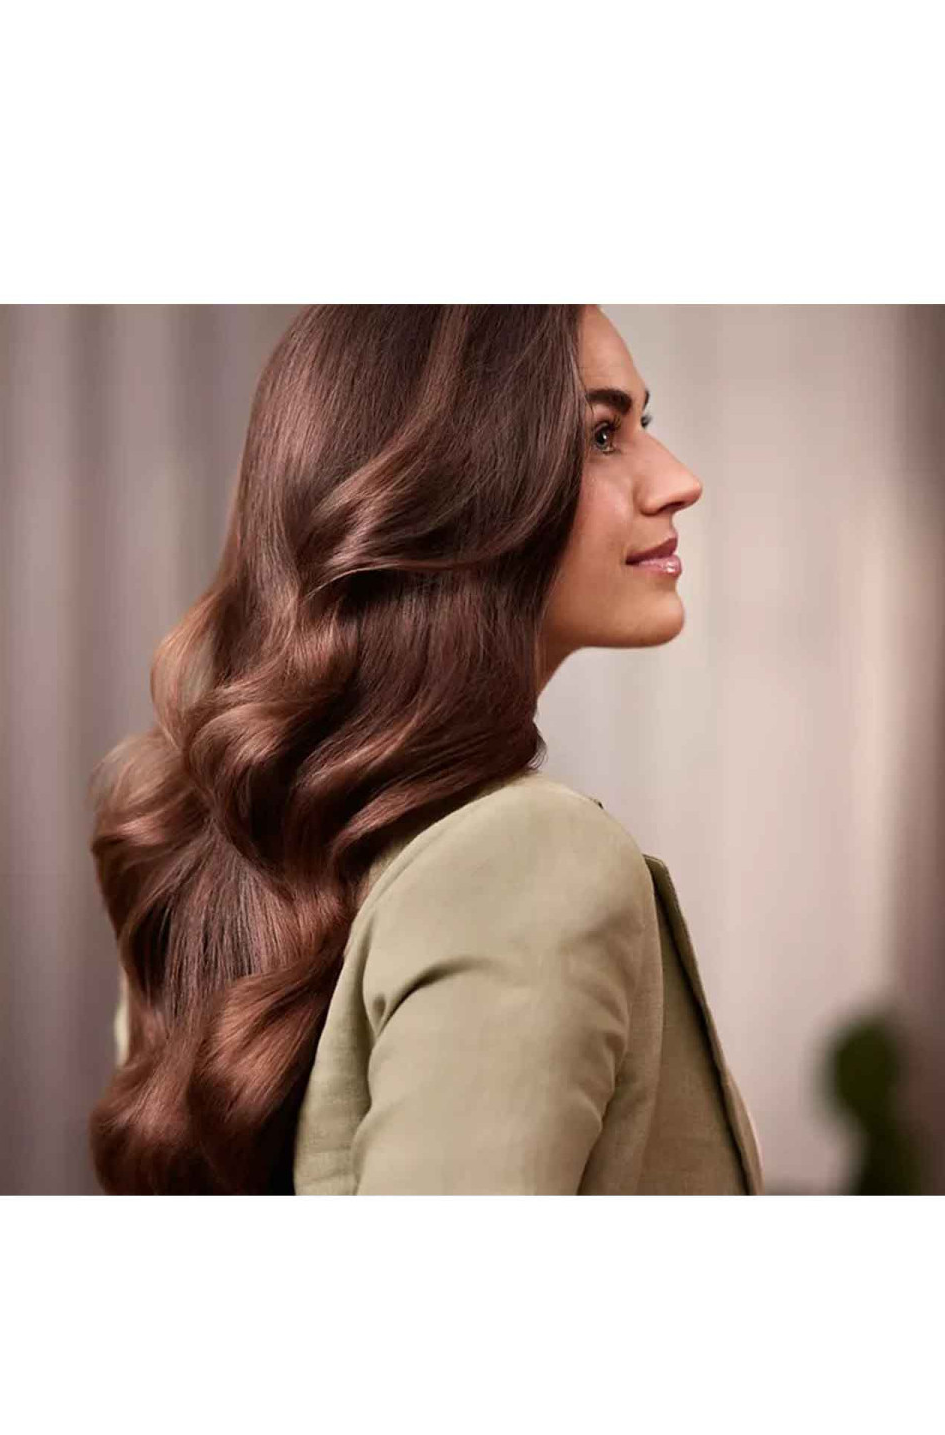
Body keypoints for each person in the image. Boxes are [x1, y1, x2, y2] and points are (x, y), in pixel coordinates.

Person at [88, 305, 763, 1195]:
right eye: (602, 436)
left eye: (644, 423)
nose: (679, 481)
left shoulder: (214, 869)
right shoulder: (528, 861)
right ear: (449, 489)